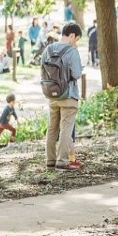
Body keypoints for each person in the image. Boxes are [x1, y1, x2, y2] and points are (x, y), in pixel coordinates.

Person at [43, 23, 83, 171]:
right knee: (66, 128)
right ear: (72, 35)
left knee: (52, 128)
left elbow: (43, 70)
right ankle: (62, 161)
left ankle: (50, 160)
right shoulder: (72, 51)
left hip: (52, 95)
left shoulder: (48, 49)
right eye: (76, 39)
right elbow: (77, 74)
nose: (75, 42)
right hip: (69, 95)